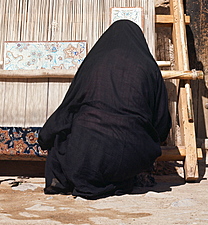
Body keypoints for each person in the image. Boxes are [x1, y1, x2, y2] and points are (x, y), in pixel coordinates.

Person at [38, 20, 171, 199]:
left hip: (84, 157)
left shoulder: (94, 63)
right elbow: (161, 122)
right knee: (129, 147)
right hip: (130, 158)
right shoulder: (148, 67)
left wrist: (46, 136)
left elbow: (69, 108)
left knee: (61, 138)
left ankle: (62, 180)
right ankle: (122, 177)